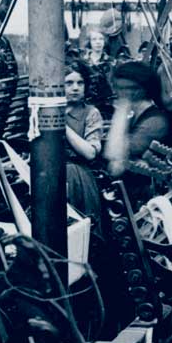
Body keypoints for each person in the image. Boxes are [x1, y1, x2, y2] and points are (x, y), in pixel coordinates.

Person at [103, 61, 172, 201]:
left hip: (148, 197)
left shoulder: (156, 121)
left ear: (137, 90)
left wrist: (121, 111)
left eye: (120, 88)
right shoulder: (135, 115)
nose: (115, 92)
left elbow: (114, 154)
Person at [63, 61, 104, 225]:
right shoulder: (45, 111)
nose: (75, 88)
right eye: (69, 83)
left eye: (80, 83)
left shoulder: (91, 113)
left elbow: (90, 152)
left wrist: (62, 126)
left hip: (78, 176)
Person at [81, 28, 116, 118]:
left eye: (101, 39)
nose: (98, 42)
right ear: (89, 42)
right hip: (88, 104)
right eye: (94, 39)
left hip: (109, 105)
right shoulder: (83, 63)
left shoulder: (112, 62)